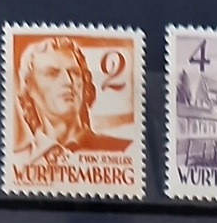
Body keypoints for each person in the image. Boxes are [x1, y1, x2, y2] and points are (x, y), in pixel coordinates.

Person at [10, 34, 132, 167]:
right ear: (29, 86)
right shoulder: (15, 162)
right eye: (52, 73)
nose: (68, 81)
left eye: (74, 72)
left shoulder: (123, 151)